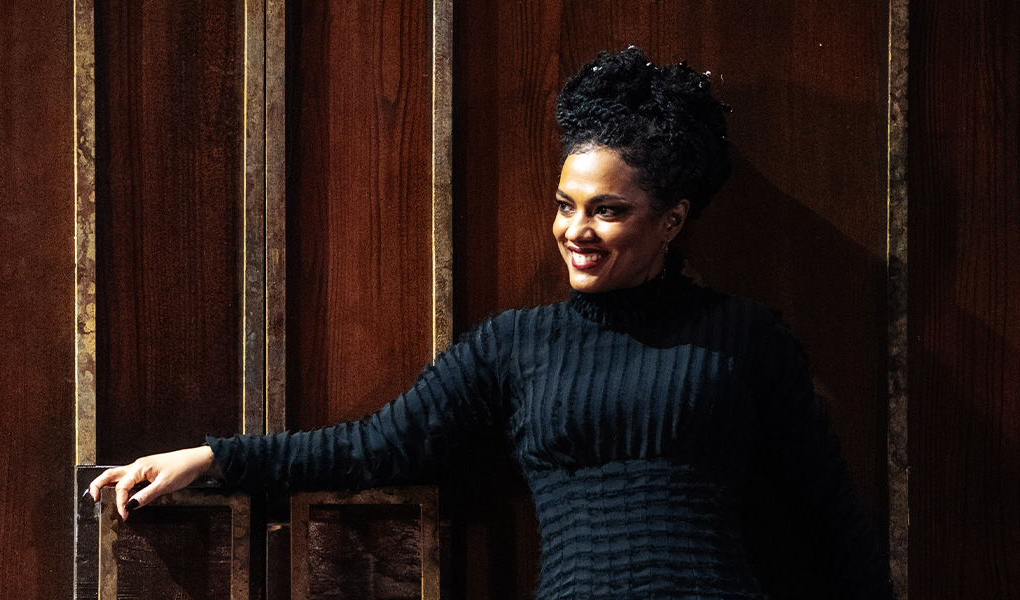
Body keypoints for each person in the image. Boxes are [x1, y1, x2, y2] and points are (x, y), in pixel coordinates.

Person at [89, 47, 894, 599]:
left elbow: (828, 514)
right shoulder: (517, 345)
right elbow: (375, 446)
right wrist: (212, 457)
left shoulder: (745, 336)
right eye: (565, 206)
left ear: (672, 221)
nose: (576, 230)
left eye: (607, 211)